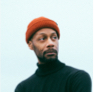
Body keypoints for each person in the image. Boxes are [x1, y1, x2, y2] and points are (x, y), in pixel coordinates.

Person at [15, 17, 91, 92]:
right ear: (30, 45)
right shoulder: (23, 88)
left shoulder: (77, 78)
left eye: (54, 37)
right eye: (42, 38)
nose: (50, 43)